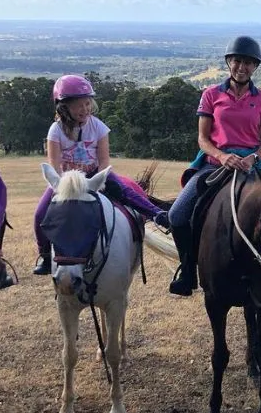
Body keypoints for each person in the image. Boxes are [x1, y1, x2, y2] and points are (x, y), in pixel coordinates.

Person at [167, 35, 261, 296]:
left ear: (255, 67)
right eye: (238, 61)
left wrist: (253, 158)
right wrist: (223, 156)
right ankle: (188, 271)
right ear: (229, 62)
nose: (242, 67)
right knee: (177, 216)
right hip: (216, 165)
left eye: (249, 63)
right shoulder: (211, 95)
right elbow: (203, 139)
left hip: (252, 165)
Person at [32, 74, 169, 275]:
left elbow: (104, 160)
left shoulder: (98, 126)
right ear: (63, 107)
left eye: (88, 104)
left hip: (95, 175)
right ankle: (45, 255)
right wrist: (62, 185)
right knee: (40, 214)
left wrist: (102, 179)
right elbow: (54, 163)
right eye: (79, 105)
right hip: (67, 182)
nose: (85, 109)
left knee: (125, 192)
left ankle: (157, 215)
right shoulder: (56, 130)